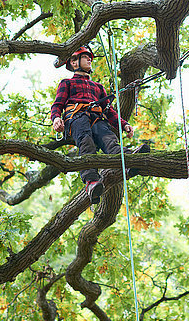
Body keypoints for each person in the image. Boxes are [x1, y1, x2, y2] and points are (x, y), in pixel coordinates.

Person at [50, 45, 147, 205]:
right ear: (74, 62)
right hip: (76, 117)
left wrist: (123, 125)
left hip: (98, 118)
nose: (90, 59)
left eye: (90, 57)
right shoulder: (67, 83)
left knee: (110, 140)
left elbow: (110, 112)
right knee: (86, 142)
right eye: (85, 57)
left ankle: (128, 163)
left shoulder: (98, 87)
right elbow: (57, 104)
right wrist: (56, 118)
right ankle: (91, 182)